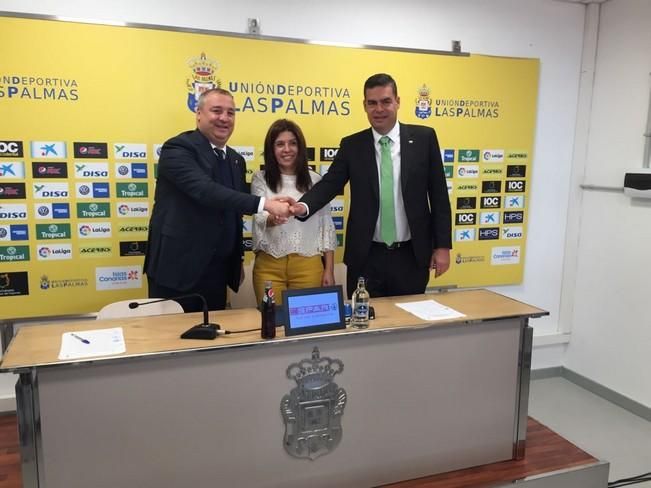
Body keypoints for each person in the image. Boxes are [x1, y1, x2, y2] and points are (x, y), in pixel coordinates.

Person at [292, 73, 452, 298]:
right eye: (372, 103)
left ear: (398, 102)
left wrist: (442, 247)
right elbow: (329, 184)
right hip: (366, 258)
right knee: (363, 324)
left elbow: (439, 196)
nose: (379, 109)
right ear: (364, 105)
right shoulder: (352, 145)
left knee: (408, 325)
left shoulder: (424, 139)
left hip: (411, 256)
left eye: (386, 101)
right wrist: (303, 206)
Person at [144, 88, 293, 312]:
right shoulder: (178, 148)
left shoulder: (235, 160)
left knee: (213, 336)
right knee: (172, 337)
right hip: (177, 271)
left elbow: (233, 207)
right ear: (199, 114)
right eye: (216, 111)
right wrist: (265, 204)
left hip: (218, 273)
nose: (224, 118)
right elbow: (206, 191)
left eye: (230, 113)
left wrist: (237, 259)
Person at [251, 119, 337, 304]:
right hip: (269, 266)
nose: (286, 149)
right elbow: (259, 218)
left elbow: (327, 228)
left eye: (292, 143)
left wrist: (329, 269)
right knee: (272, 324)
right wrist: (274, 218)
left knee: (306, 326)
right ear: (271, 149)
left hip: (308, 265)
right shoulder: (260, 179)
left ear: (300, 147)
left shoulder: (316, 181)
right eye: (280, 144)